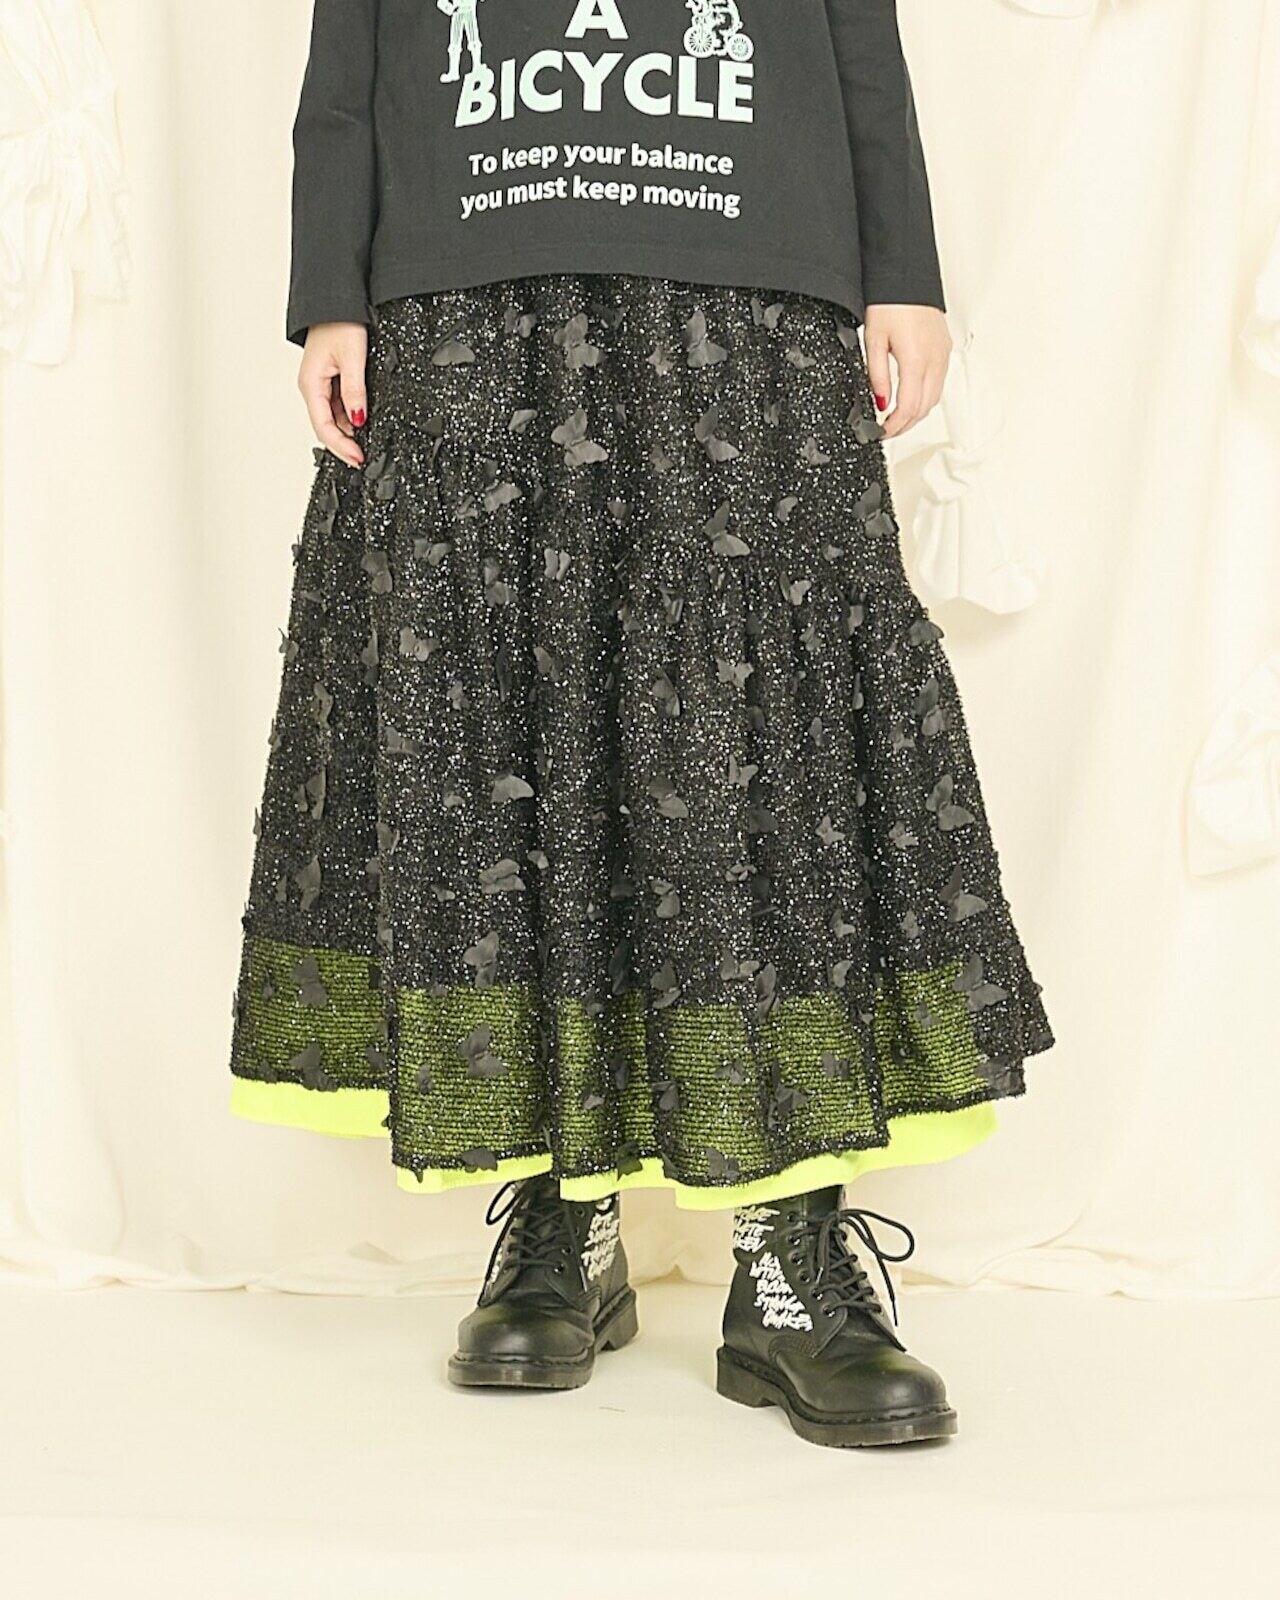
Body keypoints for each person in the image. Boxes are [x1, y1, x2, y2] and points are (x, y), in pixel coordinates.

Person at [231, 0, 1053, 1448]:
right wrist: (329, 288)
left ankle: (789, 1253)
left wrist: (901, 268)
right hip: (465, 247)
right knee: (498, 741)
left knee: (766, 743)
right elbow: (354, 30)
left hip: (755, 240)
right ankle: (562, 1214)